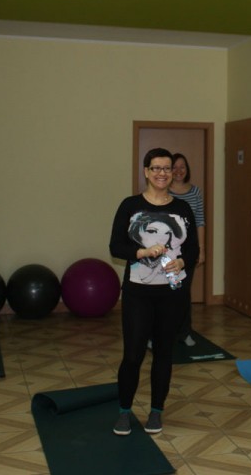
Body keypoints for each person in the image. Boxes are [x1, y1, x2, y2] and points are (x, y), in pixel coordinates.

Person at [109, 148, 199, 436]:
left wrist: (182, 262)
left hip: (172, 294)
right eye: (156, 168)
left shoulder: (182, 208)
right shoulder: (130, 205)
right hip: (138, 293)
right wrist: (142, 252)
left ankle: (156, 411)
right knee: (133, 355)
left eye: (167, 168)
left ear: (172, 173)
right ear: (146, 172)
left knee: (163, 354)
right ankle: (124, 412)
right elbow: (115, 246)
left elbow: (193, 250)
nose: (162, 173)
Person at [169, 152, 205, 346]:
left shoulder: (195, 192)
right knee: (167, 292)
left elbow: (200, 221)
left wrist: (201, 249)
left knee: (183, 292)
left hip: (188, 251)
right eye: (174, 167)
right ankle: (156, 334)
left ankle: (185, 332)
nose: (178, 171)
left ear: (187, 169)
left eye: (182, 167)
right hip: (167, 251)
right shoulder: (164, 191)